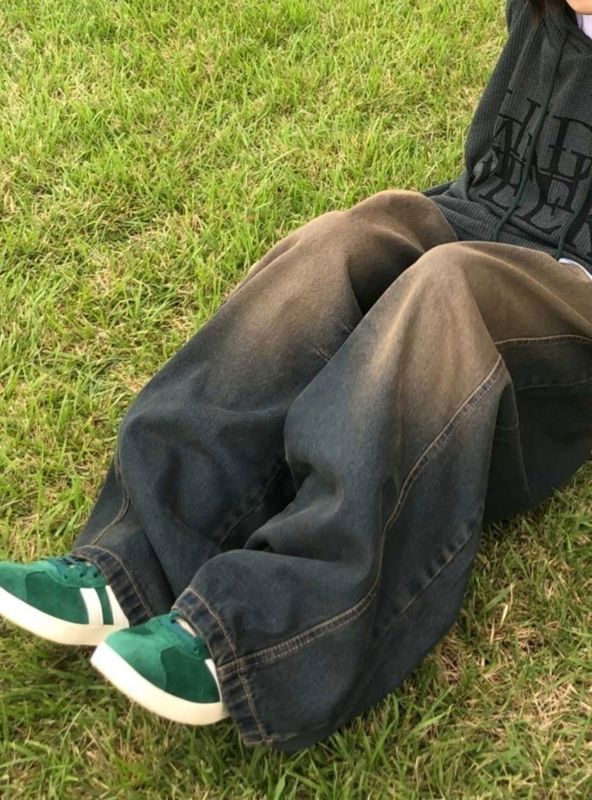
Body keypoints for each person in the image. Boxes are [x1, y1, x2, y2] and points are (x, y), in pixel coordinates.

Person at [1, 0, 591, 753]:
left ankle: (266, 630)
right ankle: (132, 560)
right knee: (341, 241)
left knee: (448, 289)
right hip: (481, 213)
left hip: (576, 295)